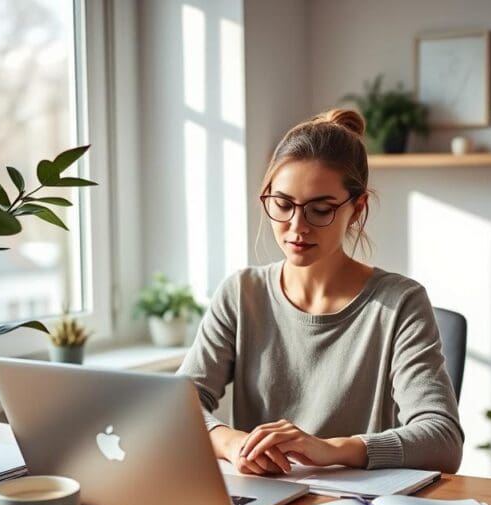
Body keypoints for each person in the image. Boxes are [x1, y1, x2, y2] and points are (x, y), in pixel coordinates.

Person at [177, 108, 464, 476]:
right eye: (282, 205)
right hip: (263, 502)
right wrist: (233, 443)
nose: (297, 227)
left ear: (356, 209)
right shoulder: (241, 293)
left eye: (320, 210)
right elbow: (179, 407)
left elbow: (442, 440)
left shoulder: (400, 303)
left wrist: (331, 449)